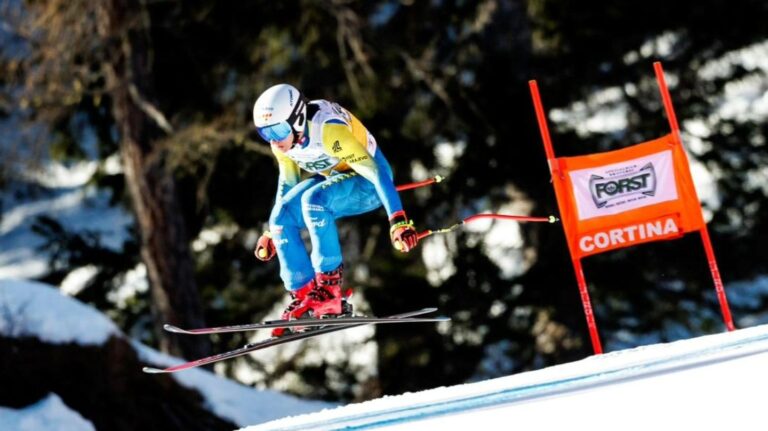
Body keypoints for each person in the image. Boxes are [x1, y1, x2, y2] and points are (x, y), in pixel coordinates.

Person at [251, 83, 419, 336]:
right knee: (280, 218)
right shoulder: (283, 143)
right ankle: (305, 298)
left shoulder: (329, 131)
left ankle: (329, 291)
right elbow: (288, 184)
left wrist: (397, 219)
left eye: (278, 129)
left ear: (297, 119)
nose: (273, 139)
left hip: (368, 184)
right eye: (265, 133)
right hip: (335, 181)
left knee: (314, 201)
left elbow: (376, 172)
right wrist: (272, 232)